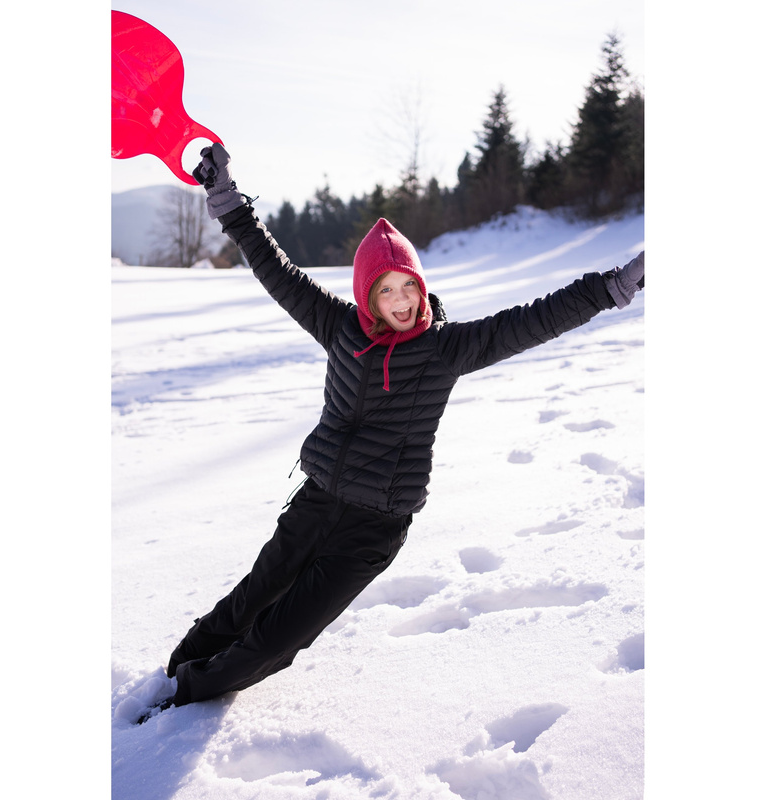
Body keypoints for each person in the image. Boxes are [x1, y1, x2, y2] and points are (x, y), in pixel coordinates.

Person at [138, 143, 644, 721]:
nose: (402, 301)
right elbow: (274, 269)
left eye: (408, 285)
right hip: (316, 500)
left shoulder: (446, 349)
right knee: (254, 596)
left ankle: (181, 701)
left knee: (280, 637)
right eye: (387, 289)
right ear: (367, 294)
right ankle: (175, 669)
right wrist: (226, 199)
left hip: (374, 525)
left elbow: (532, 320)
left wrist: (613, 287)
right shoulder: (338, 325)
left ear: (420, 286)